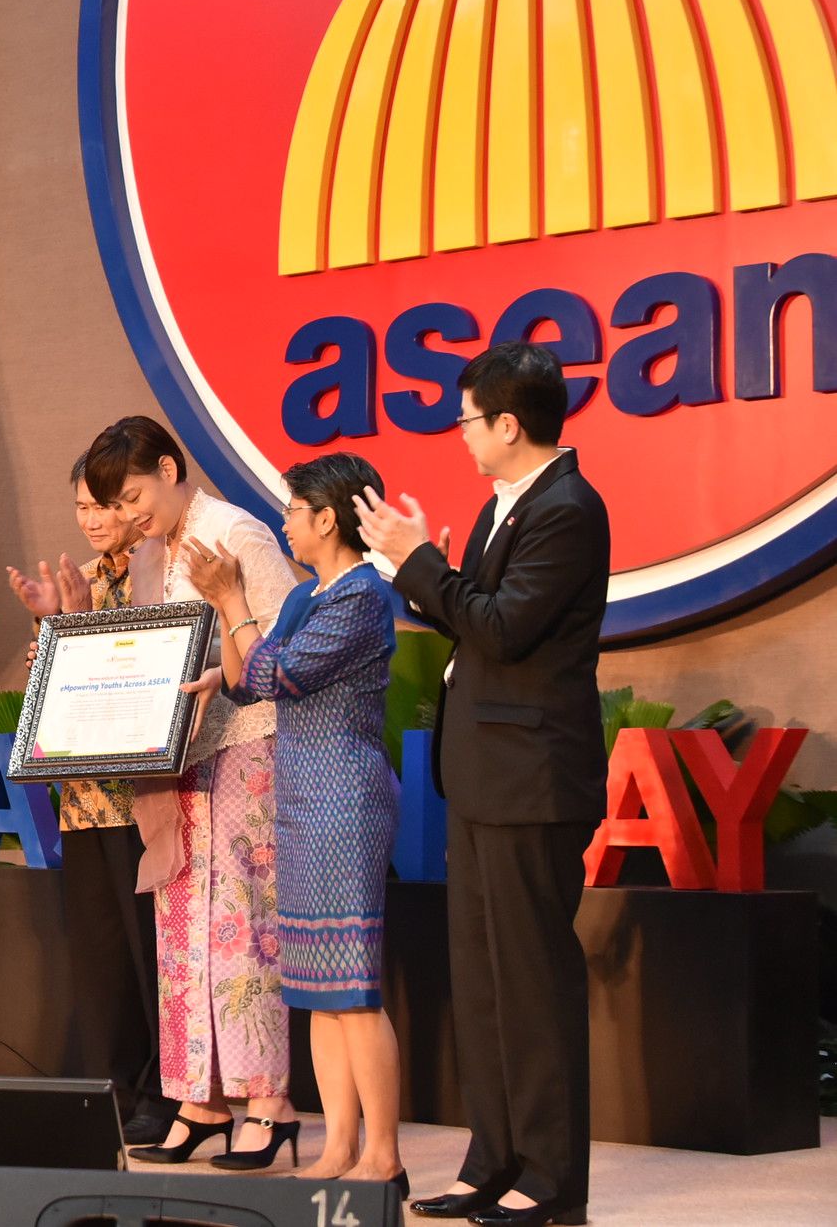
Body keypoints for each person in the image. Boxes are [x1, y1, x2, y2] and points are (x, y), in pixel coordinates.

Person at [355, 342, 608, 1227]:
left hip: (530, 777)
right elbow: (475, 616)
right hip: (482, 774)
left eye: (466, 418)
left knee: (531, 980)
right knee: (484, 977)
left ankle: (548, 1178)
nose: (458, 434)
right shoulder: (512, 503)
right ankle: (490, 1158)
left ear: (507, 422)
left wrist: (422, 561)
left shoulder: (567, 508)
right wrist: (410, 571)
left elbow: (501, 629)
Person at [77, 416, 300, 1169]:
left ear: (170, 468)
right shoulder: (149, 552)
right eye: (117, 502)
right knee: (181, 933)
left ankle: (266, 1102)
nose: (130, 514)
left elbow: (283, 650)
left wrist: (222, 667)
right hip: (176, 759)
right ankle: (198, 1097)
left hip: (244, 744)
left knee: (243, 925)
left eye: (135, 494)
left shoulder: (235, 532)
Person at [187, 454, 405, 1195]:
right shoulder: (307, 595)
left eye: (292, 509)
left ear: (325, 516)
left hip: (343, 794)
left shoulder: (361, 596)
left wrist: (232, 601)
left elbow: (278, 673)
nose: (284, 521)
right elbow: (248, 674)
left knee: (353, 983)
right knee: (313, 981)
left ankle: (382, 1149)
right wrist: (228, 612)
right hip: (297, 794)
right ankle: (337, 1142)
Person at [6, 453, 172, 1144]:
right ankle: (123, 1086)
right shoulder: (81, 577)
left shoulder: (161, 570)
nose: (94, 518)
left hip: (145, 799)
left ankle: (171, 1093)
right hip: (81, 799)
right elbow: (56, 694)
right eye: (82, 506)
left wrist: (77, 629)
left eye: (104, 502)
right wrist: (49, 632)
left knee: (151, 954)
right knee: (102, 956)